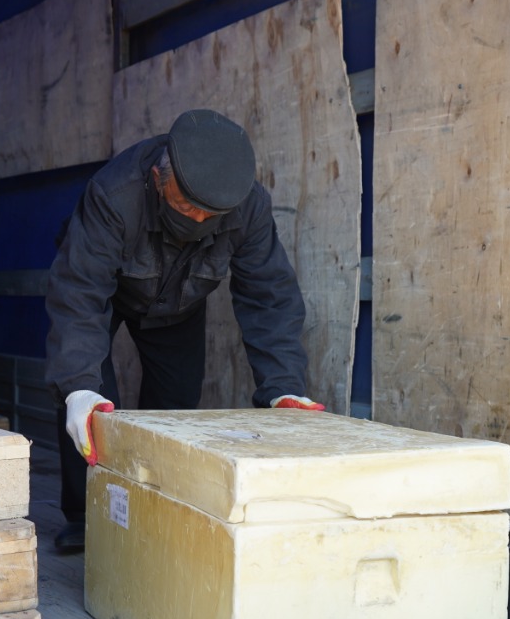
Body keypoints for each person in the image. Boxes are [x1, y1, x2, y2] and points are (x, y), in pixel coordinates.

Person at [44, 109, 324, 552]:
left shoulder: (248, 205)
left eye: (209, 214)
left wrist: (283, 386)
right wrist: (79, 387)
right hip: (108, 290)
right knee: (89, 406)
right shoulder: (114, 195)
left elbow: (268, 295)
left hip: (179, 302)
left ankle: (155, 509)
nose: (196, 220)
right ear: (159, 178)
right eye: (185, 207)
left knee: (176, 403)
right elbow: (79, 293)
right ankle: (86, 516)